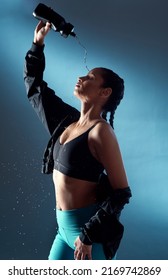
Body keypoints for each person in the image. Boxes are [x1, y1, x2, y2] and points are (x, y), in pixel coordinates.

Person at [24, 21, 132, 260]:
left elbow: (121, 192)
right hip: (62, 231)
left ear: (105, 93)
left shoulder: (100, 132)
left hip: (84, 234)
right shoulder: (68, 122)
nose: (81, 77)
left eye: (90, 77)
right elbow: (35, 88)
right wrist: (38, 44)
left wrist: (87, 235)